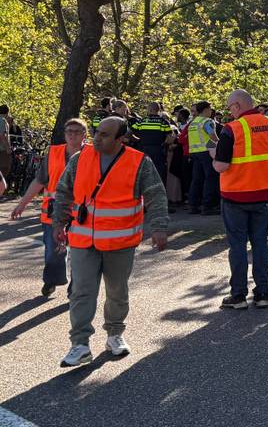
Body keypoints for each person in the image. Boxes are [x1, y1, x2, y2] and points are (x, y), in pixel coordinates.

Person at [50, 116, 169, 367]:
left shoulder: (139, 162)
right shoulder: (80, 158)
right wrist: (58, 222)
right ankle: (80, 344)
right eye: (96, 131)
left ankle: (114, 335)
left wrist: (159, 227)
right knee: (82, 291)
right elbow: (63, 192)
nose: (97, 137)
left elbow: (156, 196)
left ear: (121, 138)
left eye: (105, 134)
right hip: (83, 240)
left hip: (120, 242)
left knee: (117, 291)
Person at [212, 89, 268, 310]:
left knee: (237, 246)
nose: (229, 111)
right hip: (265, 195)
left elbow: (222, 166)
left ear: (237, 105)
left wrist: (212, 157)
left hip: (236, 195)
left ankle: (238, 295)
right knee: (260, 244)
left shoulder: (232, 129)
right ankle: (262, 293)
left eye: (229, 107)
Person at [9, 118, 88, 297]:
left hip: (83, 214)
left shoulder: (93, 154)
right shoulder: (54, 153)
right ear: (64, 134)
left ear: (85, 135)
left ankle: (75, 288)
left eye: (77, 132)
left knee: (81, 255)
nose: (73, 135)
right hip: (53, 212)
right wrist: (22, 204)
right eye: (69, 131)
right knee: (53, 252)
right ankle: (51, 280)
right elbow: (39, 181)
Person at [186, 101, 220, 215]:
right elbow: (212, 136)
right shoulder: (207, 121)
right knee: (210, 178)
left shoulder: (193, 122)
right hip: (206, 152)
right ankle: (208, 206)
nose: (211, 111)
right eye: (210, 109)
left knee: (196, 179)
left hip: (194, 153)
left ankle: (193, 205)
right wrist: (220, 143)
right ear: (205, 110)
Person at [131, 102, 174, 187]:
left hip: (144, 150)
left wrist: (137, 140)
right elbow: (170, 138)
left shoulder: (142, 121)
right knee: (159, 173)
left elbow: (130, 132)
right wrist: (164, 144)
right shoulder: (163, 122)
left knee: (144, 172)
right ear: (158, 110)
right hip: (158, 150)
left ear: (149, 110)